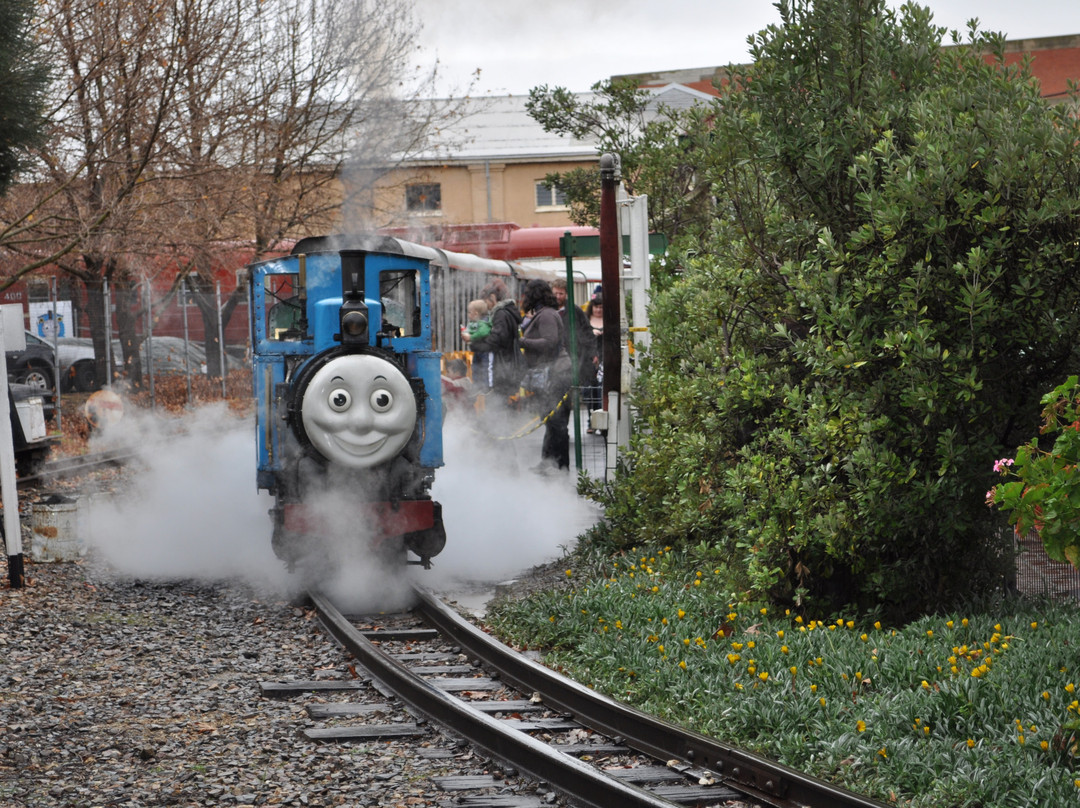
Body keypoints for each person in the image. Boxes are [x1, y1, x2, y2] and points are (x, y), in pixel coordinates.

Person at [520, 279, 570, 472]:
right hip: (555, 372)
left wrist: (523, 342)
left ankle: (558, 465)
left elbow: (549, 342)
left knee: (555, 421)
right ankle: (550, 462)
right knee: (552, 419)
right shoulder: (547, 313)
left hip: (555, 373)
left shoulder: (546, 315)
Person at [466, 279, 522, 401]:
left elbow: (496, 340)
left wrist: (475, 344)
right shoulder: (509, 312)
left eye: (486, 300)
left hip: (501, 370)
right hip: (508, 367)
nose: (486, 305)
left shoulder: (501, 314)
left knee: (497, 406)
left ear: (492, 297)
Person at [462, 299, 493, 390]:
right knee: (475, 367)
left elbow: (482, 333)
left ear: (475, 313)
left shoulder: (483, 323)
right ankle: (477, 385)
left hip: (485, 351)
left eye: (469, 312)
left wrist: (471, 337)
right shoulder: (474, 323)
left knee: (484, 368)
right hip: (477, 350)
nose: (468, 315)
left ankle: (485, 386)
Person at [584, 293, 604, 415]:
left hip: (604, 358)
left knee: (600, 391)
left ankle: (600, 417)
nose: (598, 310)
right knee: (588, 391)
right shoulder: (586, 320)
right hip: (588, 360)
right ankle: (590, 418)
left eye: (601, 307)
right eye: (596, 307)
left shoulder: (608, 319)